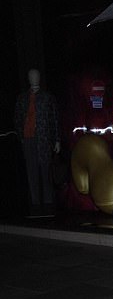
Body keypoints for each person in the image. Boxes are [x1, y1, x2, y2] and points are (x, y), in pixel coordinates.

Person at [14, 68, 60, 216]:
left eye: (36, 75)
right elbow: (18, 119)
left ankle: (48, 203)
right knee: (31, 171)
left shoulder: (47, 97)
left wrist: (57, 140)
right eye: (31, 76)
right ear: (28, 78)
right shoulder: (22, 98)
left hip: (44, 139)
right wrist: (22, 137)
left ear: (39, 77)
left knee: (45, 171)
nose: (34, 78)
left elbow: (54, 119)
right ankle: (35, 204)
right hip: (28, 139)